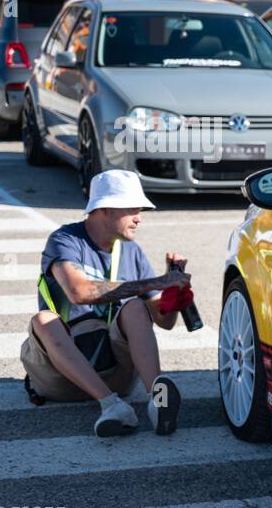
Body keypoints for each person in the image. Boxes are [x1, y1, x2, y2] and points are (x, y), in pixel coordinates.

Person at [20, 170, 192, 437]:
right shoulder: (64, 240)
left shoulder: (132, 251)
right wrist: (154, 283)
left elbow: (165, 322)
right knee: (43, 320)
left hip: (116, 373)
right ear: (105, 209)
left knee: (135, 307)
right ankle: (111, 407)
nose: (139, 218)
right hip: (60, 377)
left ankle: (158, 401)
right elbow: (78, 291)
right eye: (133, 209)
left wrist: (172, 293)